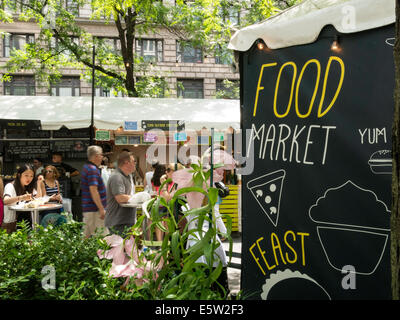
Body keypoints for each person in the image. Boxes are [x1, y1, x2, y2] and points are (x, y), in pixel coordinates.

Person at [1, 164, 43, 233]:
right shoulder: (10, 186)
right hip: (12, 224)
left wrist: (39, 183)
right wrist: (21, 197)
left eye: (31, 176)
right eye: (26, 175)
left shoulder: (28, 187)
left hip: (27, 223)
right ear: (19, 175)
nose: (29, 178)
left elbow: (38, 199)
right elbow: (5, 201)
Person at [105, 151, 137, 237]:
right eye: (134, 161)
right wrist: (138, 198)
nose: (135, 164)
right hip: (118, 223)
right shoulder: (117, 177)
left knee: (126, 249)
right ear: (127, 163)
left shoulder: (127, 176)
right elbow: (120, 198)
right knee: (119, 249)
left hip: (124, 221)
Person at [80, 146, 107, 238]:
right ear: (96, 156)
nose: (102, 157)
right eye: (101, 155)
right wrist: (101, 208)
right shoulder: (92, 169)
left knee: (86, 236)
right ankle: (101, 253)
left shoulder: (87, 167)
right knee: (102, 236)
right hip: (94, 209)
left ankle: (80, 252)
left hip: (89, 208)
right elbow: (93, 190)